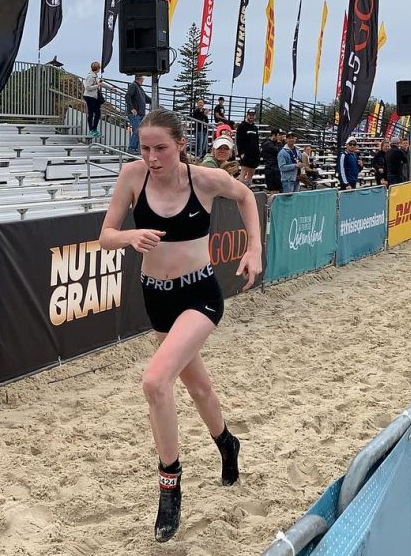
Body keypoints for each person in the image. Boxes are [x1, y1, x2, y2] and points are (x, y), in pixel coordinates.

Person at [99, 108, 262, 543]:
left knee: (155, 382)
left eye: (161, 148)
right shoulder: (132, 176)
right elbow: (106, 234)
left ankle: (169, 484)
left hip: (199, 295)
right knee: (199, 388)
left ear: (181, 145)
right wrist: (128, 237)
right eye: (144, 148)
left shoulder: (204, 179)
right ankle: (227, 443)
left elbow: (246, 197)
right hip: (157, 297)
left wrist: (254, 249)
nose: (151, 157)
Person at [126, 75, 152, 153]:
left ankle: (136, 148)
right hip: (135, 114)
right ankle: (131, 148)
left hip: (140, 114)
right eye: (142, 78)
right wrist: (131, 108)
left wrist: (155, 101)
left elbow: (147, 99)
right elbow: (127, 96)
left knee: (140, 131)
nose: (143, 80)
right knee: (137, 130)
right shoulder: (133, 86)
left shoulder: (140, 88)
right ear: (139, 79)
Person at [236, 109, 260, 187]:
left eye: (253, 115)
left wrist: (258, 153)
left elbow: (257, 141)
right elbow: (239, 140)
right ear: (247, 115)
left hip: (254, 154)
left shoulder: (255, 128)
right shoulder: (242, 126)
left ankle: (248, 188)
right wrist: (241, 153)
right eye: (250, 115)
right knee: (243, 172)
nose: (251, 116)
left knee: (251, 173)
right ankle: (241, 189)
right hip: (245, 153)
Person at [83, 61, 105, 137]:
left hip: (94, 97)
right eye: (99, 67)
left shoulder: (95, 75)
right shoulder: (90, 76)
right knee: (91, 113)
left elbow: (100, 83)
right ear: (97, 68)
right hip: (89, 96)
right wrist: (97, 86)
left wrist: (110, 88)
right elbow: (87, 87)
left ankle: (94, 129)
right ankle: (91, 130)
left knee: (98, 113)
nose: (100, 69)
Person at [261, 128, 285, 193]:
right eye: (279, 135)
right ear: (274, 135)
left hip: (277, 169)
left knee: (278, 190)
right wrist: (279, 142)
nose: (280, 137)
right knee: (273, 191)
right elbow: (280, 151)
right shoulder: (267, 144)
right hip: (271, 169)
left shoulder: (276, 143)